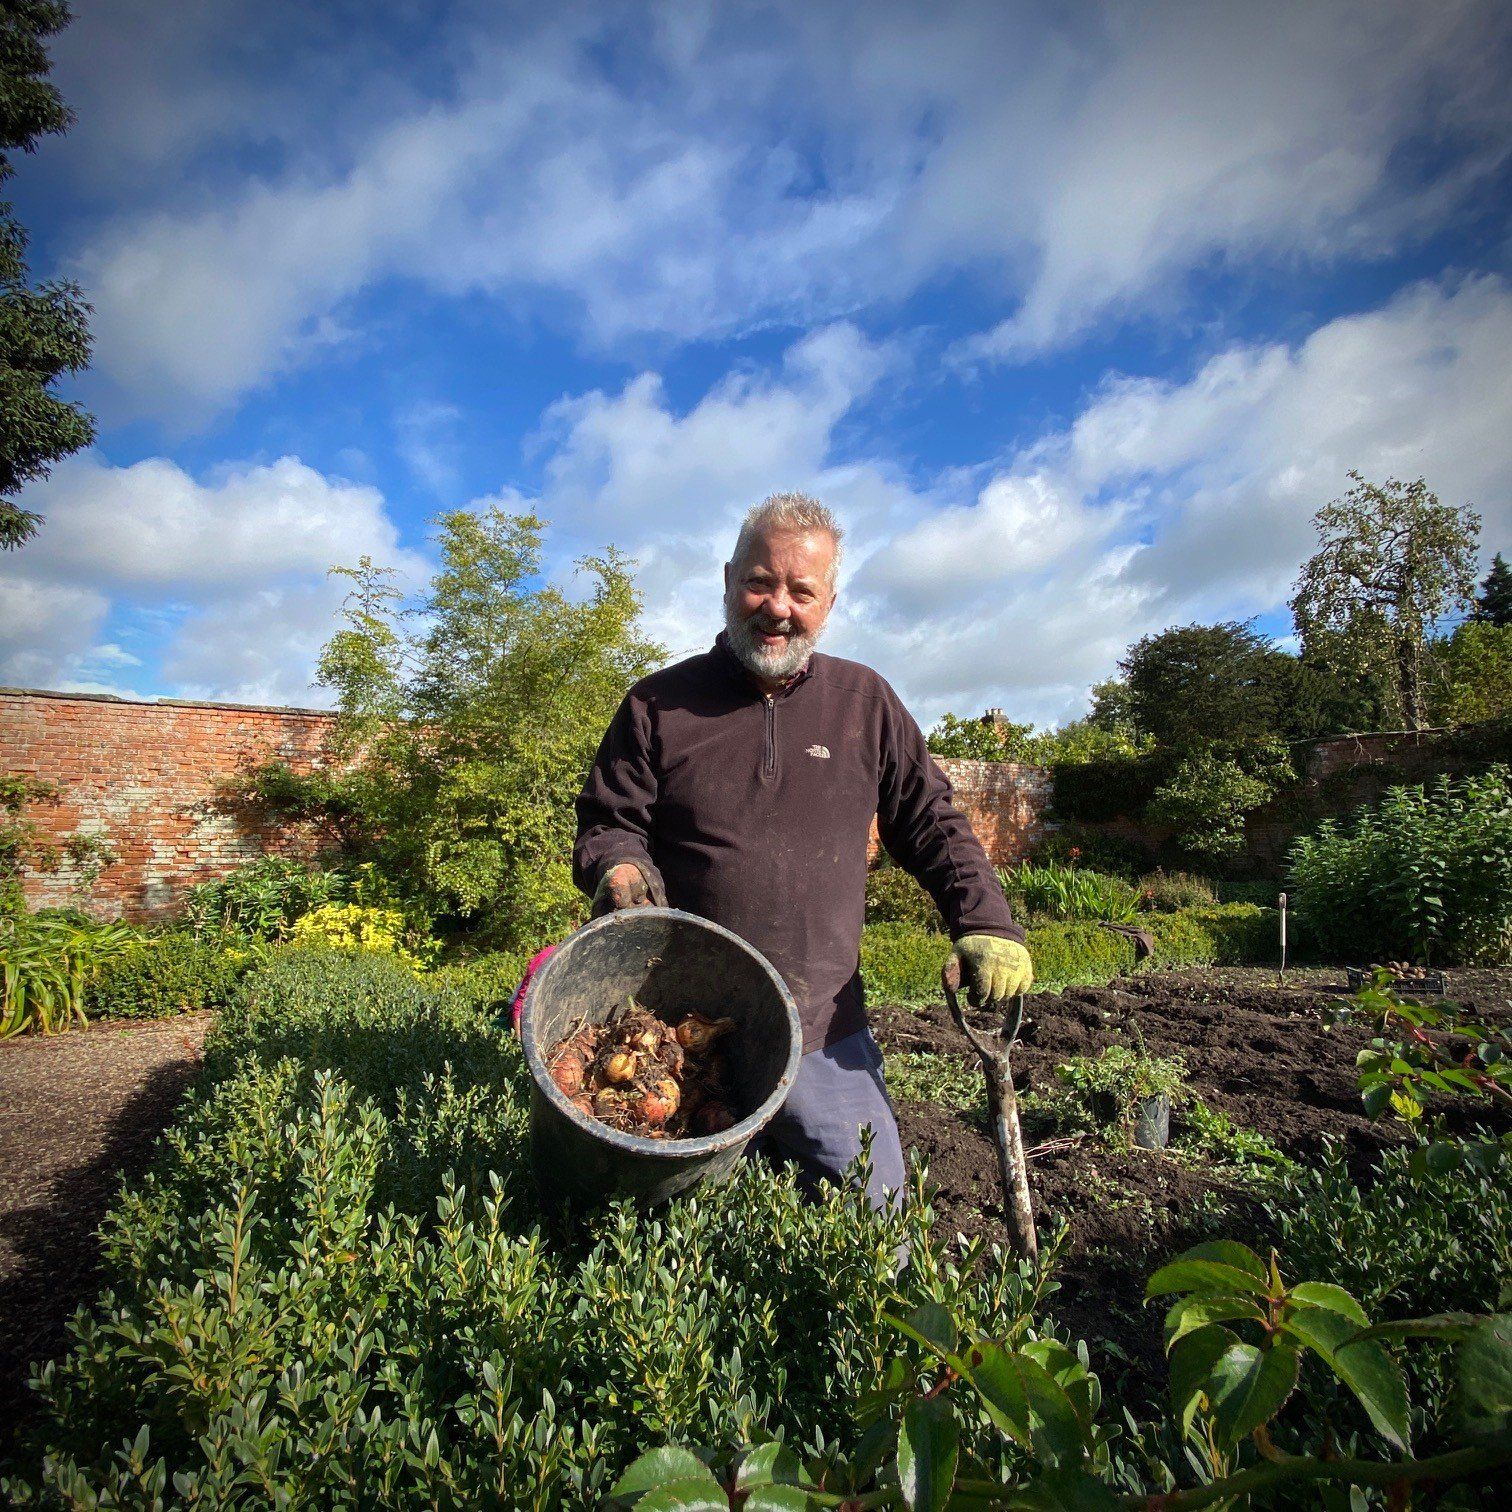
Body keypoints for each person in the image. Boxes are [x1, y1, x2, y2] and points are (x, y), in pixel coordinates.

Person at [573, 492, 1032, 1209]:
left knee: (876, 1224)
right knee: (655, 1241)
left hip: (822, 1030)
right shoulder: (657, 706)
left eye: (801, 590)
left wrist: (987, 922)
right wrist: (621, 867)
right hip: (677, 1037)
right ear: (728, 581)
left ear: (829, 601)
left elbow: (932, 822)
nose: (777, 606)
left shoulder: (865, 703)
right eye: (760, 581)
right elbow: (609, 819)